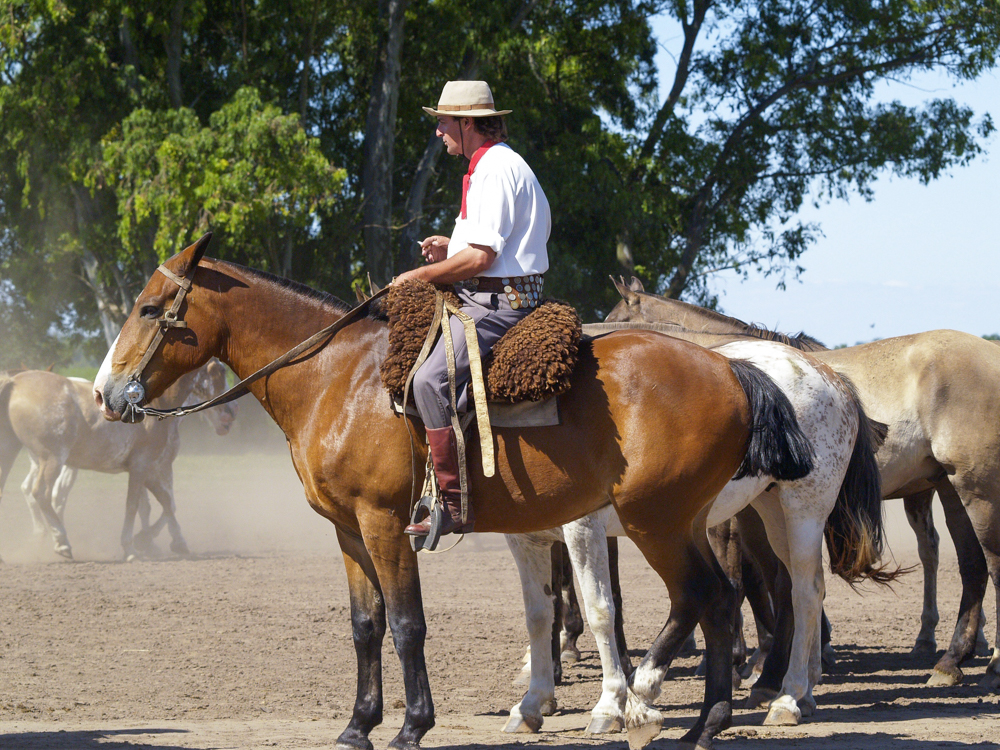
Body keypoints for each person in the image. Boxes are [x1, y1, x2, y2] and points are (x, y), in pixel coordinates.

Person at [395, 80, 551, 539]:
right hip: (489, 294)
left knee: (429, 379)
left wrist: (415, 277)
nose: (438, 132)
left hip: (500, 306)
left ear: (467, 123)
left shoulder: (495, 170)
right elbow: (483, 246)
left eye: (443, 122)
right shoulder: (492, 165)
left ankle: (453, 502)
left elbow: (482, 259)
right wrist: (451, 245)